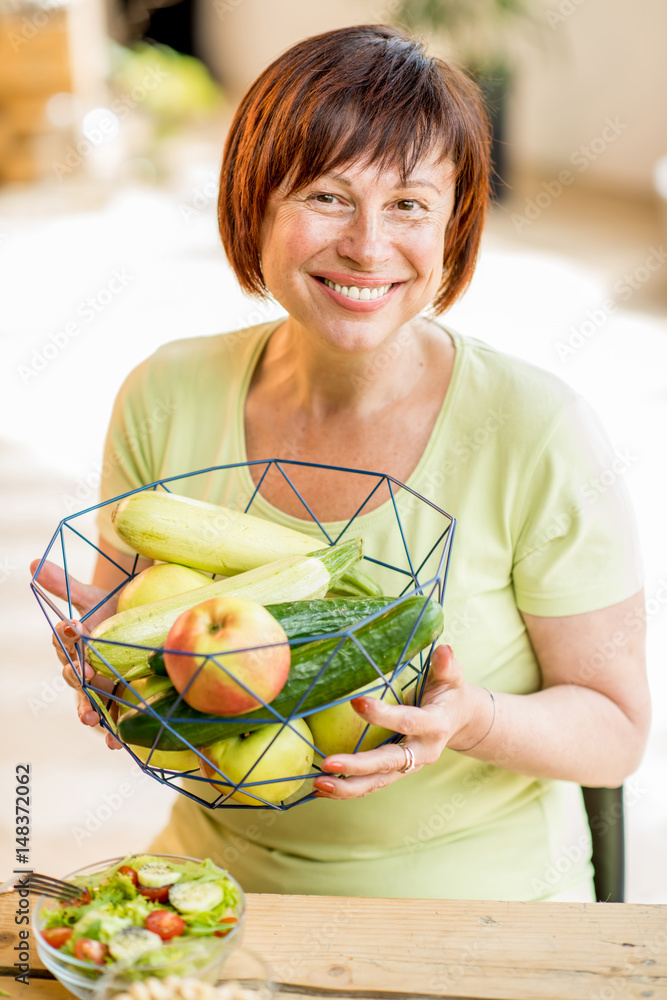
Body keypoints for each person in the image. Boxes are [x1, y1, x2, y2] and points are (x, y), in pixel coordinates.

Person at [35, 24, 650, 902]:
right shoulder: (164, 395)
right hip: (219, 889)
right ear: (254, 203)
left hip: (478, 904)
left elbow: (616, 729)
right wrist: (109, 673)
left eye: (408, 205)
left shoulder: (536, 429)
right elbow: (140, 655)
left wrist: (470, 721)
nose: (367, 245)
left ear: (453, 227)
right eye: (326, 196)